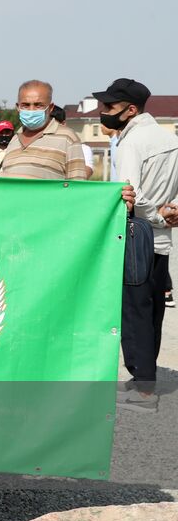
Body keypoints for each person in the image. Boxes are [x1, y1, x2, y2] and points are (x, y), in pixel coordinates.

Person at [101, 79, 178, 413]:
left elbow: (128, 195)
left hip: (137, 236)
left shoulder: (132, 141)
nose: (104, 112)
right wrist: (171, 212)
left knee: (134, 313)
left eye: (109, 107)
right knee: (153, 314)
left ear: (130, 110)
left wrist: (159, 216)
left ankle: (143, 390)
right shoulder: (169, 138)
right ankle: (144, 378)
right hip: (161, 242)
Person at [0, 80, 88, 180]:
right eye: (26, 105)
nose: (31, 110)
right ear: (18, 107)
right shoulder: (14, 140)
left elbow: (77, 185)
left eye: (38, 105)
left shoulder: (67, 138)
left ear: (50, 108)